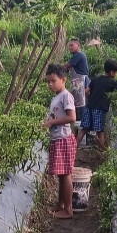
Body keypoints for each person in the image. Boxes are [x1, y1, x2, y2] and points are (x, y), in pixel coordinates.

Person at [44, 64, 77, 219]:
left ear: (63, 80)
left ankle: (68, 210)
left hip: (64, 139)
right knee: (61, 175)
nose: (50, 84)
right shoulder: (56, 96)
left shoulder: (66, 96)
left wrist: (52, 123)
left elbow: (71, 117)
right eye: (48, 81)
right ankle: (61, 205)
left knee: (66, 174)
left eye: (53, 81)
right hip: (57, 139)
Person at [77, 59, 117, 150]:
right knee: (100, 131)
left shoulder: (95, 78)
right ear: (112, 72)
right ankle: (102, 151)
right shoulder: (111, 81)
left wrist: (92, 97)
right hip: (99, 109)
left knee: (84, 128)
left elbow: (86, 91)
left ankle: (73, 147)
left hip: (89, 107)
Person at [63, 39, 90, 130]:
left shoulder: (79, 55)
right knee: (77, 102)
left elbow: (66, 66)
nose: (70, 47)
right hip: (77, 82)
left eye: (72, 45)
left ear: (78, 46)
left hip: (81, 82)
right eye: (69, 46)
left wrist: (56, 70)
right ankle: (79, 124)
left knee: (81, 103)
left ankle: (81, 124)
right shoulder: (76, 56)